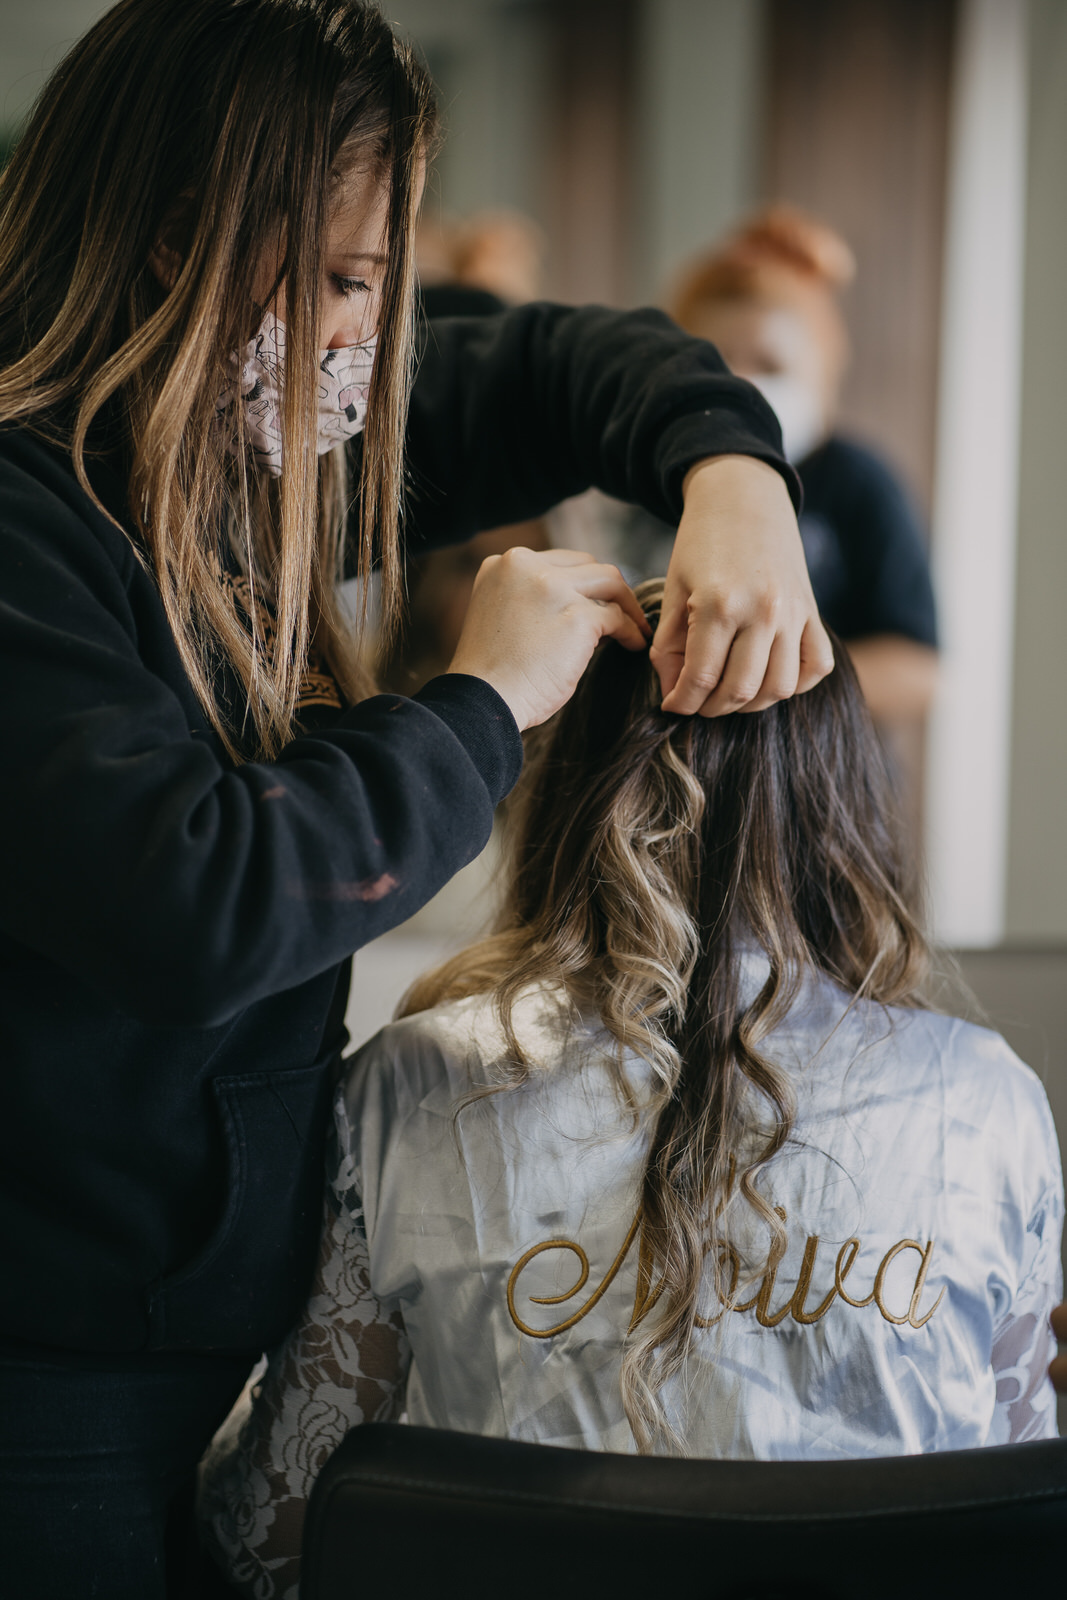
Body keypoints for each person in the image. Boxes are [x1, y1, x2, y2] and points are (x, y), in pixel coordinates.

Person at [0, 1, 834, 1595]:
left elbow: (551, 363)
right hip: (41, 1387)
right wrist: (482, 702)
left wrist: (731, 475)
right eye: (352, 282)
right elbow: (196, 902)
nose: (371, 344)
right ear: (187, 247)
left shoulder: (244, 457)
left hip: (183, 1348)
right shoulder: (26, 519)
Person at [199, 578, 1062, 1600]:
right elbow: (1009, 1526)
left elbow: (271, 1540)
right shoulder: (985, 1100)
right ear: (837, 794)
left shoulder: (416, 1085)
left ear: (565, 786)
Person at [629, 206, 939, 725]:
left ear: (822, 369)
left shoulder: (857, 482)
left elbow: (919, 668)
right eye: (718, 363)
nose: (743, 385)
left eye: (770, 364)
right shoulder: (629, 474)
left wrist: (772, 670)